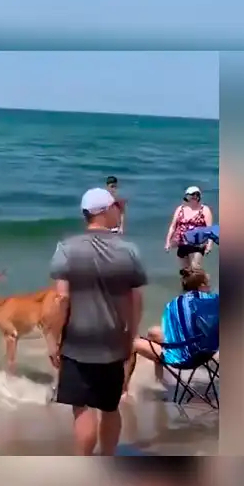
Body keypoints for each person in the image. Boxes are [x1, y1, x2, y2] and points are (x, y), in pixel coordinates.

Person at [45, 187, 148, 455]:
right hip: (113, 342)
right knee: (110, 407)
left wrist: (54, 340)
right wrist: (131, 336)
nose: (119, 212)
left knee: (81, 408)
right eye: (116, 207)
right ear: (104, 211)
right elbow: (135, 300)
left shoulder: (66, 249)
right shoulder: (129, 250)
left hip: (76, 343)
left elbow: (61, 300)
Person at [121, 267, 219, 396]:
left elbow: (170, 334)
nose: (209, 286)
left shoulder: (173, 305)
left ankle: (123, 392)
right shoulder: (215, 300)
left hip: (184, 359)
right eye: (208, 283)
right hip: (207, 351)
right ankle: (159, 380)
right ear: (201, 285)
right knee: (153, 332)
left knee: (134, 344)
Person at [164, 186, 213, 270]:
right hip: (182, 244)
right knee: (185, 271)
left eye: (197, 195)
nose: (194, 197)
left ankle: (202, 283)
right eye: (192, 195)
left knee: (195, 269)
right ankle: (187, 283)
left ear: (199, 197)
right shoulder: (180, 209)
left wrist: (209, 245)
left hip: (197, 244)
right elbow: (173, 227)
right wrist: (168, 242)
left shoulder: (204, 210)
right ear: (187, 196)